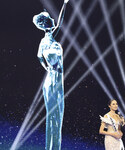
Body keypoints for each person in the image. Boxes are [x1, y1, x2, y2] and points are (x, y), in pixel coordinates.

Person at [32, 0, 69, 149]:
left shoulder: (45, 41)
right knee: (55, 116)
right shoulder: (48, 37)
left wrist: (46, 66)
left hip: (54, 79)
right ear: (47, 23)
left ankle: (53, 147)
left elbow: (39, 57)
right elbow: (60, 22)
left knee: (55, 116)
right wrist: (65, 4)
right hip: (53, 81)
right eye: (50, 19)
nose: (53, 20)